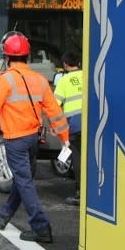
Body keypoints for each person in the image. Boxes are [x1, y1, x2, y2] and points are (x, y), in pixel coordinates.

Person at [0, 32, 70, 243]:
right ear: (28, 56)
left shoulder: (5, 80)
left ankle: (41, 227)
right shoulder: (40, 80)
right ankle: (5, 213)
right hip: (32, 138)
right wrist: (64, 136)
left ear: (7, 57)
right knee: (23, 179)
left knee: (24, 182)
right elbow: (54, 111)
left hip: (15, 139)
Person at [54, 51, 82, 206]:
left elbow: (55, 105)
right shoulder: (87, 76)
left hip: (75, 126)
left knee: (77, 159)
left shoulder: (64, 81)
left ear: (65, 64)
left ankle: (80, 193)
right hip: (93, 124)